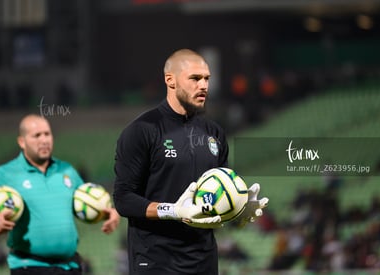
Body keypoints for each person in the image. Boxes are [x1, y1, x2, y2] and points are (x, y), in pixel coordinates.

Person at [113, 48, 269, 275]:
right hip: (156, 261)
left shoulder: (214, 132)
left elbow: (216, 198)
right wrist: (173, 211)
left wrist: (238, 209)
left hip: (204, 261)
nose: (203, 85)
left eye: (206, 78)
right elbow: (123, 199)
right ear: (171, 80)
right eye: (195, 78)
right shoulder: (141, 131)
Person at [0, 114, 120, 275]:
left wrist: (109, 212)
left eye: (47, 134)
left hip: (69, 267)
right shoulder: (4, 174)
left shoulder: (67, 170)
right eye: (37, 135)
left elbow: (88, 201)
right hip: (29, 267)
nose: (44, 140)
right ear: (22, 141)